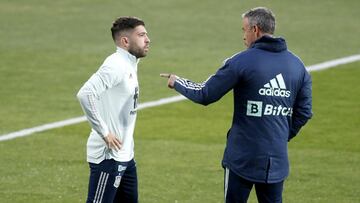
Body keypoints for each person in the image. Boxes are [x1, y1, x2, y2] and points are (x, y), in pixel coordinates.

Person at [161, 7, 312, 203]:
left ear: (255, 30)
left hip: (242, 158)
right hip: (276, 160)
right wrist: (281, 134)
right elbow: (305, 112)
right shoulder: (297, 65)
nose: (243, 36)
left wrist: (177, 81)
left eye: (244, 30)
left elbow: (205, 94)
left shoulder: (242, 61)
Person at [77, 16, 150, 203]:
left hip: (126, 155)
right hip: (108, 156)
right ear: (125, 41)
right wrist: (104, 132)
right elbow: (86, 94)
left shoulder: (130, 63)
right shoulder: (115, 65)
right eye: (141, 35)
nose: (148, 39)